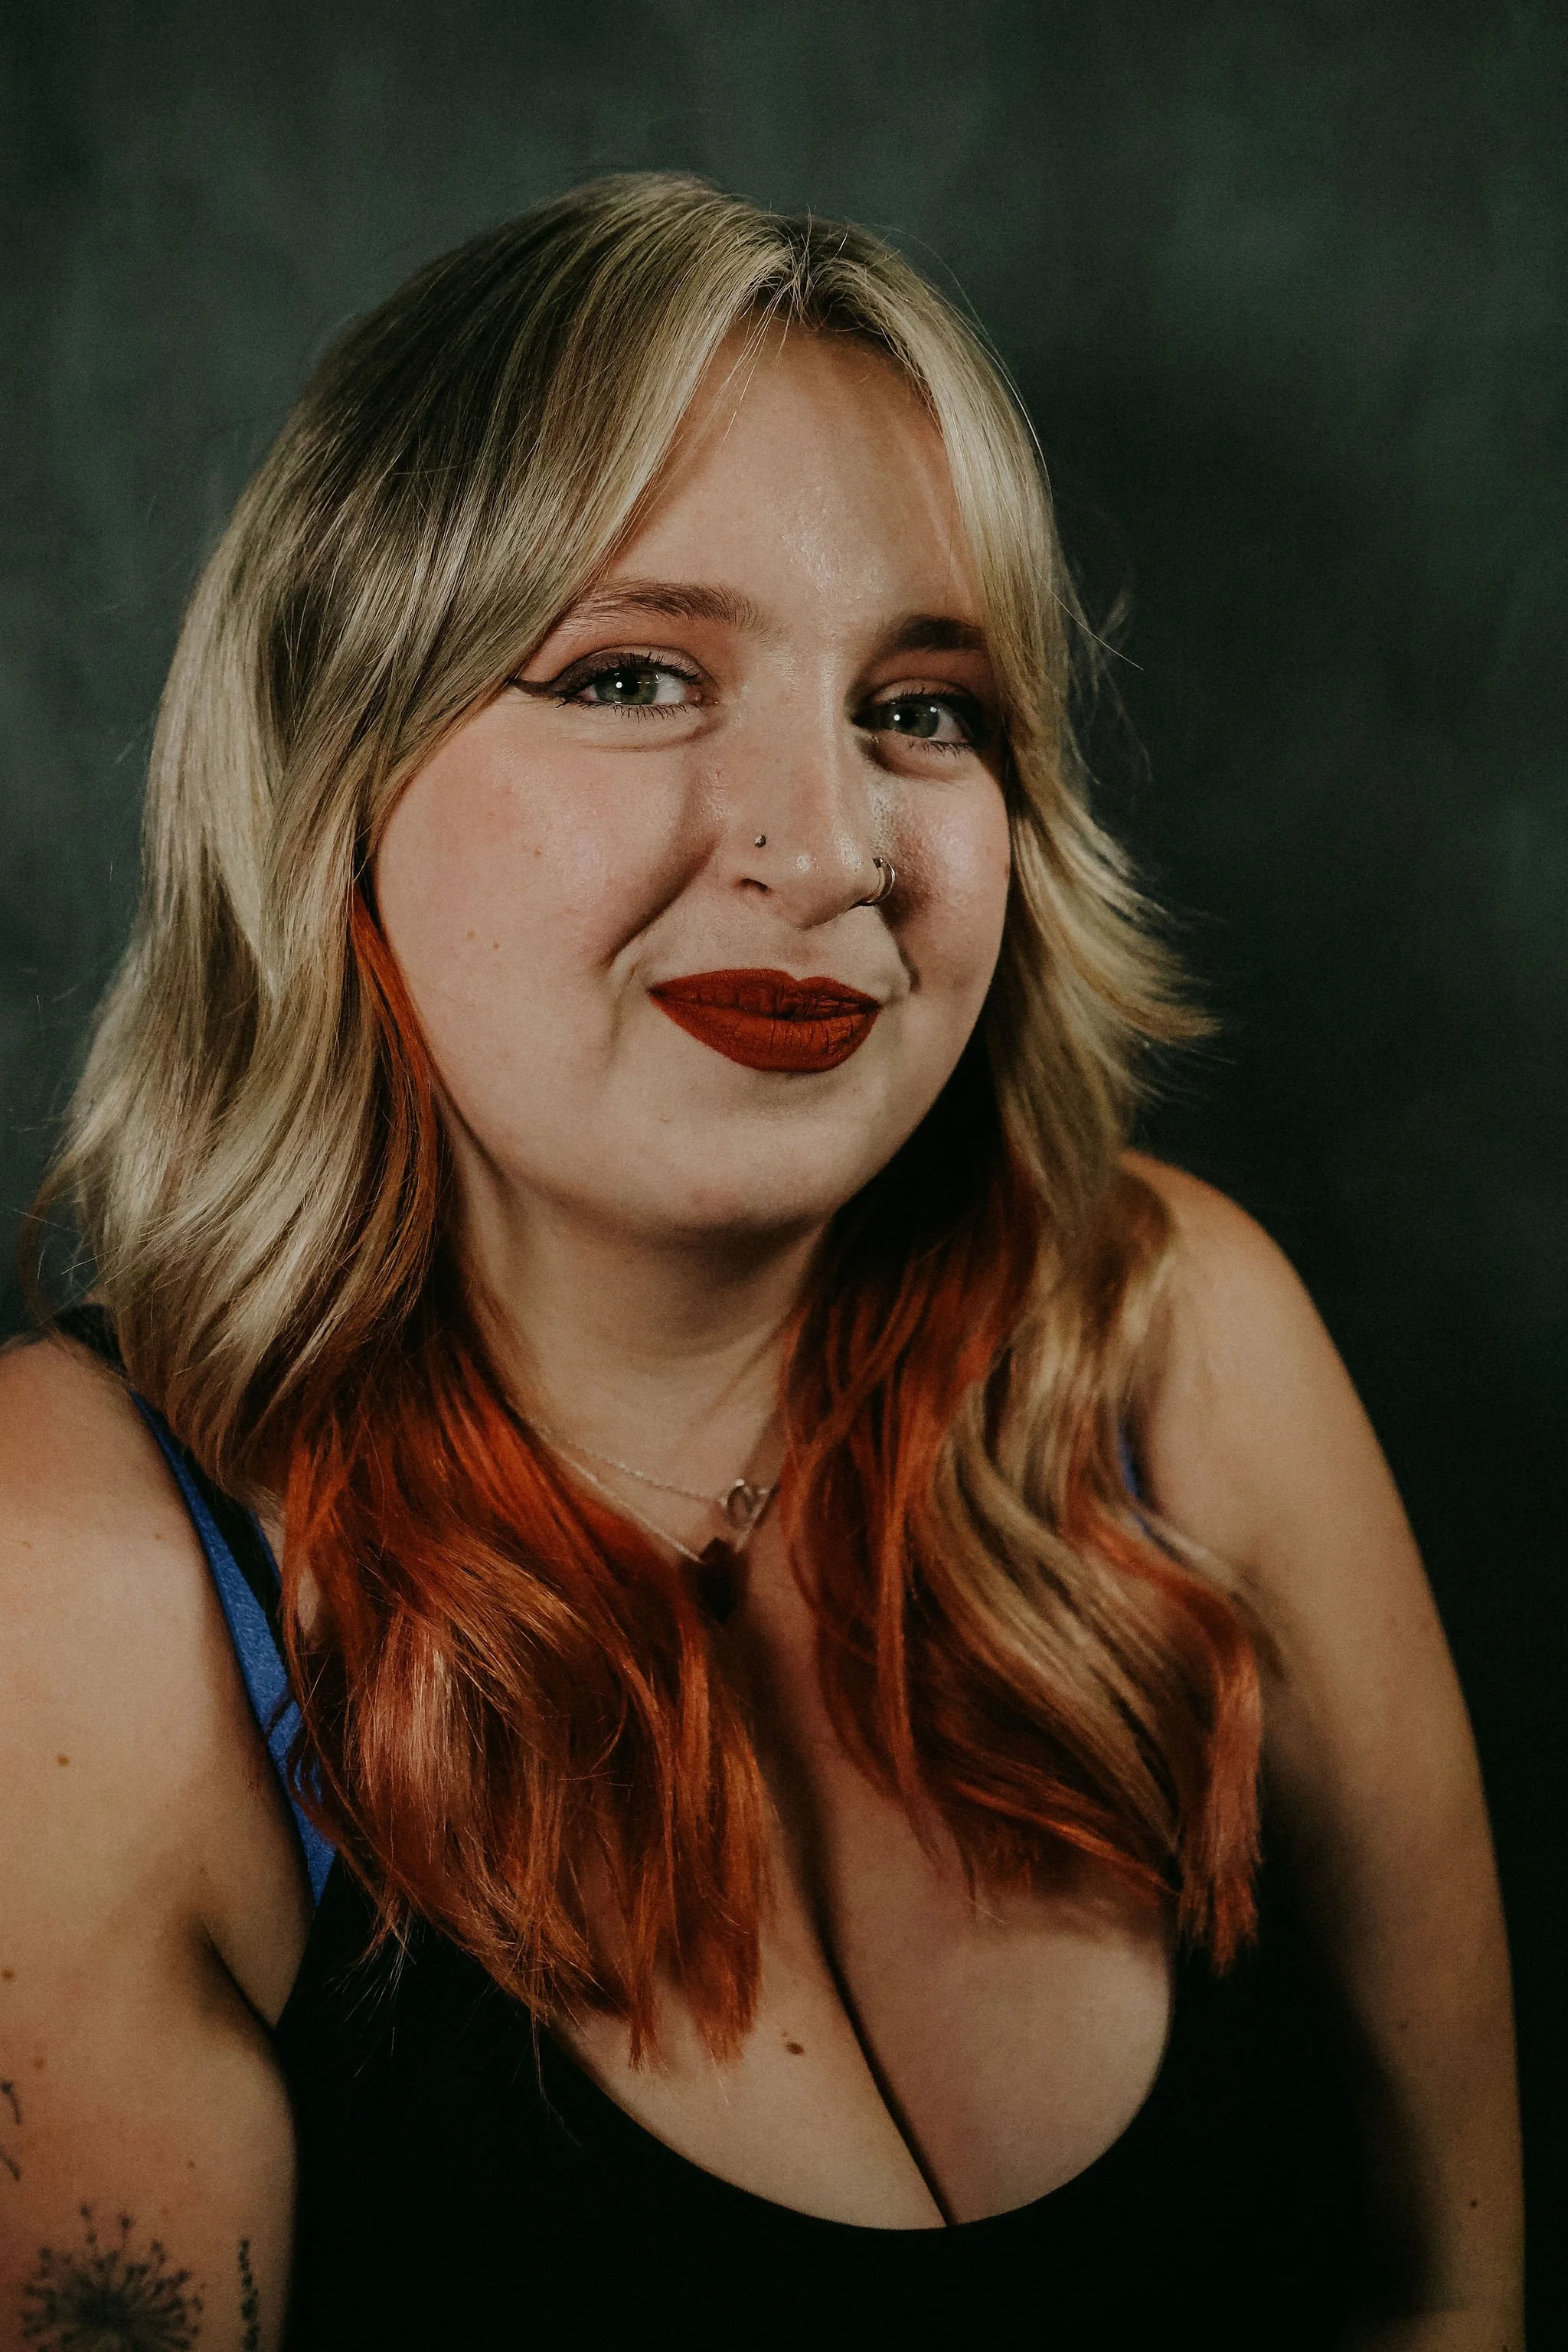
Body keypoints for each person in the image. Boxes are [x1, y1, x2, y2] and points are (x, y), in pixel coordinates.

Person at [0, 174, 1521, 2350]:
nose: (829, 850)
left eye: (927, 709)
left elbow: (1449, 2302)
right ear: (329, 773)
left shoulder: (1173, 1349)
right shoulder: (80, 1581)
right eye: (632, 674)